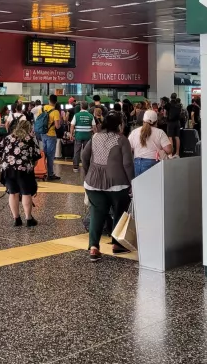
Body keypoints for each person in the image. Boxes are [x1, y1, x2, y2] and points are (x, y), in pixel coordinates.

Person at [81, 111, 134, 262]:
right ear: (119, 125)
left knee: (97, 212)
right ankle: (117, 244)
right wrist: (132, 182)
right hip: (118, 184)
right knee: (119, 211)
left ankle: (94, 247)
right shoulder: (122, 140)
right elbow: (128, 164)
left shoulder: (95, 136)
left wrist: (87, 174)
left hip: (93, 183)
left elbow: (84, 157)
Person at [0, 118, 41, 227]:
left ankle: (16, 219)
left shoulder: (8, 138)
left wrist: (7, 161)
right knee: (26, 193)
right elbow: (37, 156)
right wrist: (30, 166)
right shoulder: (30, 139)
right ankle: (29, 219)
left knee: (13, 193)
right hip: (23, 170)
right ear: (28, 129)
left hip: (8, 170)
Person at [128, 109, 172, 177]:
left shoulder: (134, 132)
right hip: (154, 163)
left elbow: (128, 149)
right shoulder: (160, 132)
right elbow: (169, 150)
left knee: (140, 186)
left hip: (137, 163)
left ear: (143, 121)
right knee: (153, 186)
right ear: (156, 122)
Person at [34, 94, 61, 181]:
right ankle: (50, 174)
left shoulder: (42, 108)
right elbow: (57, 126)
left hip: (42, 134)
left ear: (49, 100)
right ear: (56, 102)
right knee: (50, 155)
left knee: (44, 153)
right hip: (51, 135)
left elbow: (38, 120)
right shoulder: (55, 112)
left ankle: (40, 170)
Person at [69, 101, 94, 173]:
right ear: (87, 107)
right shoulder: (90, 115)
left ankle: (75, 167)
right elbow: (94, 127)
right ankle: (87, 166)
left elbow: (72, 125)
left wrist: (71, 134)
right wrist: (95, 134)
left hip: (78, 136)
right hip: (88, 136)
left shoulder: (76, 115)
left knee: (77, 151)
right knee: (87, 152)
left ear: (81, 107)